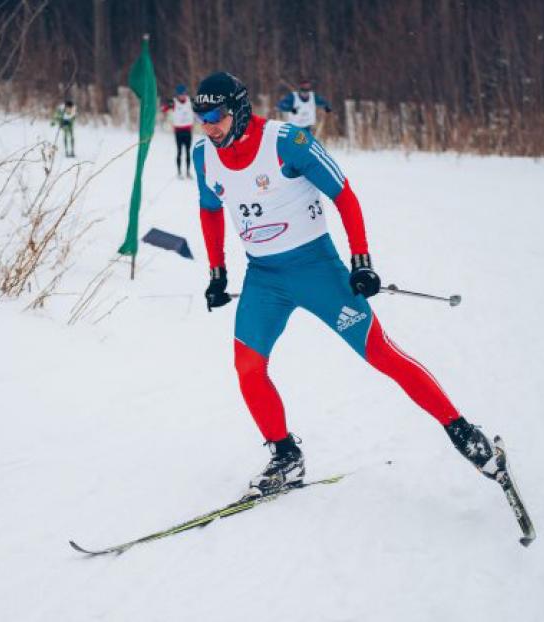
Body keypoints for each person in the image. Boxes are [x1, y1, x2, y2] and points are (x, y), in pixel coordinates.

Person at [190, 72, 505, 501]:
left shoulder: (287, 141)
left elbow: (344, 194)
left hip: (318, 270)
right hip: (263, 277)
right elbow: (209, 209)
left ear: (239, 110)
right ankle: (286, 457)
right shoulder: (204, 155)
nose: (208, 125)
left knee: (381, 353)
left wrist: (361, 261)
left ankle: (463, 431)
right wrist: (216, 272)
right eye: (200, 116)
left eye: (215, 116)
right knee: (248, 368)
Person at [161, 84, 195, 179]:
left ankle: (188, 172)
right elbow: (163, 109)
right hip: (178, 131)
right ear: (177, 95)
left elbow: (200, 107)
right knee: (179, 151)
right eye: (180, 94)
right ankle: (179, 172)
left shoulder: (190, 101)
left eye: (183, 94)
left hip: (188, 130)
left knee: (188, 152)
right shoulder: (174, 102)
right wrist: (166, 105)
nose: (182, 96)